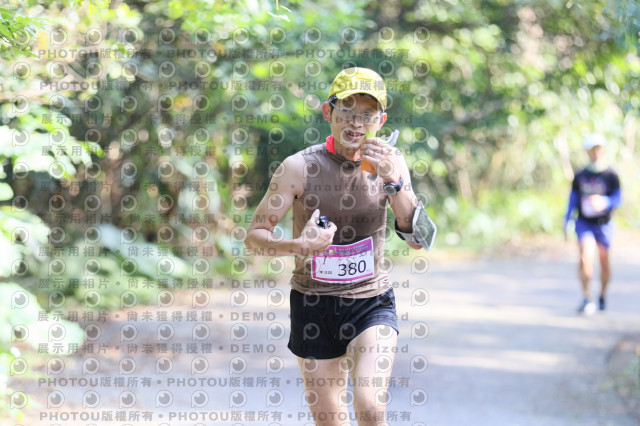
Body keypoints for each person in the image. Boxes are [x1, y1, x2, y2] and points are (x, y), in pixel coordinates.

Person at [245, 67, 433, 425]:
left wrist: (394, 180)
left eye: (367, 114)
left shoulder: (392, 163)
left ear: (381, 121)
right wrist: (299, 246)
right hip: (313, 304)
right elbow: (254, 236)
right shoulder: (298, 167)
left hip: (370, 301)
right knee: (330, 420)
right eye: (346, 111)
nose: (356, 123)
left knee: (370, 406)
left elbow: (416, 240)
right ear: (327, 112)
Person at [563, 133, 621, 314]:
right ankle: (586, 297)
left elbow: (618, 198)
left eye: (598, 149)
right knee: (585, 257)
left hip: (604, 224)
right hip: (584, 223)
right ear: (587, 152)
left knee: (604, 262)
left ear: (603, 151)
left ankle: (602, 295)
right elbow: (573, 200)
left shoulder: (611, 175)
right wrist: (567, 220)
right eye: (592, 150)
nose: (595, 153)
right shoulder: (581, 175)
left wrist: (605, 202)